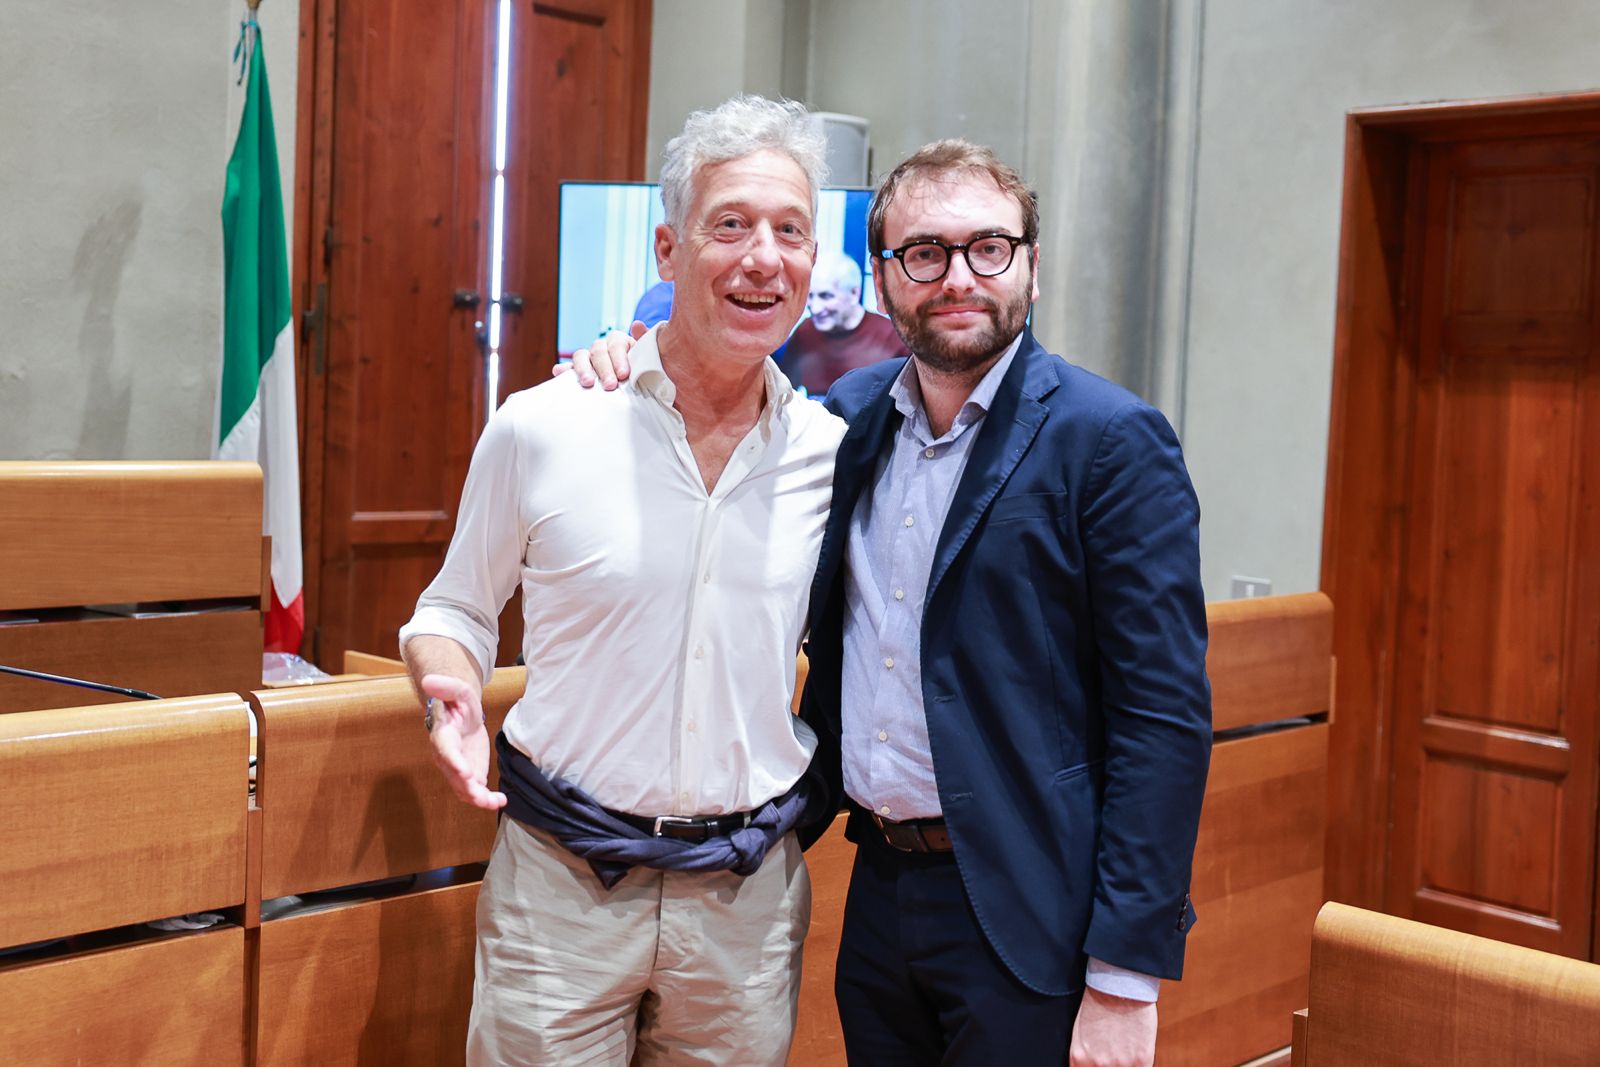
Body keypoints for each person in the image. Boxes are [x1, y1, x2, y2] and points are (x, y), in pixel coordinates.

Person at [572, 139, 1211, 1067]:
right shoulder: (847, 418)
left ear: (1032, 266)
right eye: (924, 252)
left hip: (1031, 904)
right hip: (878, 888)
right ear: (883, 279)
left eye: (988, 247)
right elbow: (715, 400)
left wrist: (1125, 976)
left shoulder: (1110, 440)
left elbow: (1163, 719)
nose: (958, 277)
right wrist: (629, 360)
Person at [399, 94, 846, 1067]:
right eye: (730, 224)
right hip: (561, 890)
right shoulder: (546, 424)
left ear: (814, 261)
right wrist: (448, 691)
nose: (763, 256)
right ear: (668, 250)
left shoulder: (832, 454)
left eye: (790, 231)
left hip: (744, 902)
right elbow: (453, 608)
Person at [777, 250, 908, 394]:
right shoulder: (805, 331)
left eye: (825, 296)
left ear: (854, 293)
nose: (815, 308)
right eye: (810, 296)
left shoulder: (892, 337)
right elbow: (782, 391)